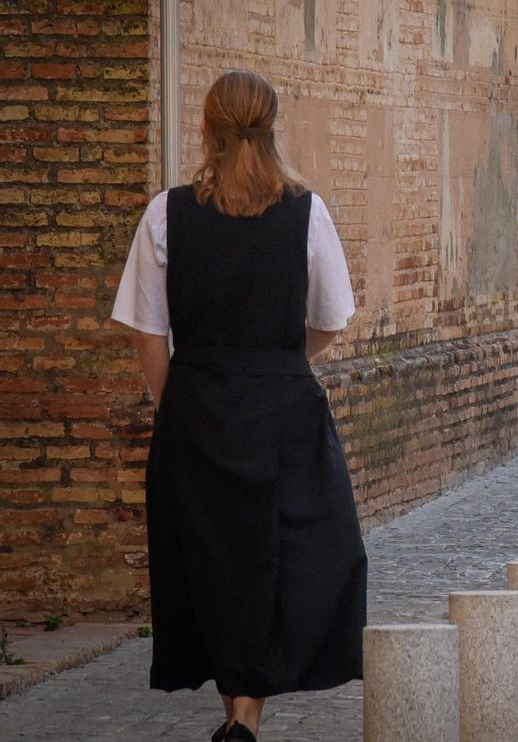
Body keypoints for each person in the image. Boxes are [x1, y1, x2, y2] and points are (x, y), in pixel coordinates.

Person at [112, 71, 366, 742]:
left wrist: (174, 402)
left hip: (196, 403)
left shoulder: (166, 214)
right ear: (273, 126)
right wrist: (281, 358)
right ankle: (245, 714)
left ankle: (239, 713)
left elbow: (147, 329)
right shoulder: (307, 212)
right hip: (282, 405)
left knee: (214, 557)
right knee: (293, 551)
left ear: (205, 128)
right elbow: (332, 319)